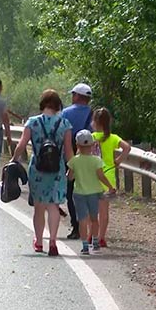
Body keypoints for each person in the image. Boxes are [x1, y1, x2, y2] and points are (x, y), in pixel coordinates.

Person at [12, 89, 74, 256]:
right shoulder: (65, 124)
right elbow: (69, 152)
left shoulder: (33, 122)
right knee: (54, 205)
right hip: (58, 169)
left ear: (42, 104)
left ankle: (39, 242)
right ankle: (53, 242)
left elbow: (22, 144)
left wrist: (14, 160)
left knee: (39, 207)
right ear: (58, 105)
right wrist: (74, 169)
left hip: (38, 169)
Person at [67, 130, 116, 255]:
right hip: (95, 193)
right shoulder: (96, 160)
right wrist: (110, 186)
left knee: (83, 219)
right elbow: (101, 176)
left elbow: (70, 177)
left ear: (77, 145)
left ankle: (84, 245)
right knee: (94, 218)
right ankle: (95, 241)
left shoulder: (74, 161)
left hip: (79, 194)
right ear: (93, 145)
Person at [92, 107, 131, 247]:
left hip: (93, 176)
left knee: (92, 210)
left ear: (95, 121)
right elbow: (127, 147)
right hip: (108, 177)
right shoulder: (113, 138)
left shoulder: (91, 138)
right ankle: (102, 237)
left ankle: (92, 235)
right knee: (104, 211)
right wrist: (118, 160)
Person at [61, 83, 94, 240]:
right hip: (90, 159)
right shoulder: (94, 114)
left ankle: (77, 227)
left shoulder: (66, 113)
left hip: (70, 157)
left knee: (71, 192)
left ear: (76, 96)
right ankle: (91, 227)